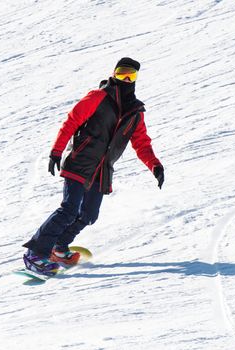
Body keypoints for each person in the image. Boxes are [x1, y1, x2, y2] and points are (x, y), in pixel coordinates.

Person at [22, 57, 164, 276]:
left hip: (102, 171)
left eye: (131, 75)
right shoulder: (98, 97)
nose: (125, 79)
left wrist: (155, 165)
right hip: (81, 161)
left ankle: (58, 249)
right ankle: (35, 253)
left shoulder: (136, 112)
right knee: (69, 209)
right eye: (121, 74)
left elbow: (141, 142)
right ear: (113, 74)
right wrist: (56, 151)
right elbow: (72, 121)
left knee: (88, 215)